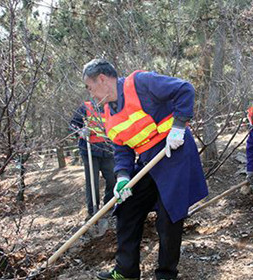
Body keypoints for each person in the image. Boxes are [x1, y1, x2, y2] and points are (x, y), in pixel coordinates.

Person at [82, 58, 208, 280]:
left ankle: (166, 275)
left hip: (175, 151)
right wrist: (122, 177)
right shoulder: (109, 115)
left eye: (90, 87)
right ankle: (126, 271)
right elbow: (122, 150)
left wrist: (178, 128)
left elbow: (184, 89)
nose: (90, 94)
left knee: (169, 216)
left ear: (102, 79)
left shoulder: (140, 83)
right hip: (149, 160)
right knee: (127, 207)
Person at [70, 101, 115, 219]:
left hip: (107, 150)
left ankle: (109, 206)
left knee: (112, 179)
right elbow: (73, 124)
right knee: (92, 182)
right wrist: (80, 131)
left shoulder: (109, 107)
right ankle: (92, 211)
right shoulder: (86, 107)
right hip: (89, 150)